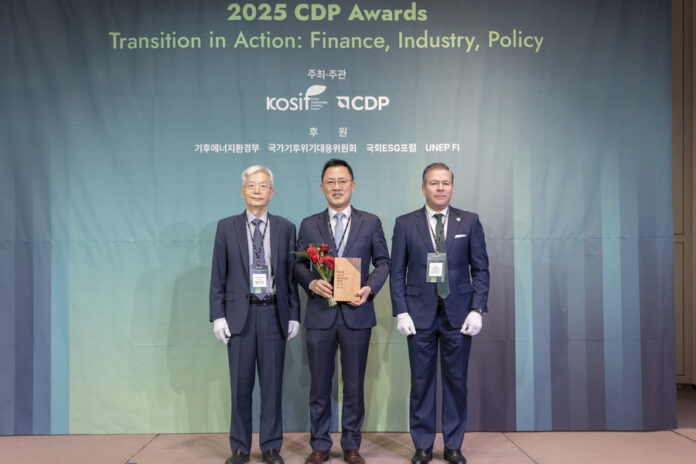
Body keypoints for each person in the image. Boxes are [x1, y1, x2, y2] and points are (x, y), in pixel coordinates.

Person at [390, 162, 489, 464]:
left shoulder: (469, 221)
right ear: (423, 188)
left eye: (445, 183)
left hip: (459, 316)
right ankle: (422, 445)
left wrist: (477, 309)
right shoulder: (405, 223)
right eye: (434, 183)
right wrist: (401, 311)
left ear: (452, 187)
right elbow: (397, 272)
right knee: (421, 383)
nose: (440, 188)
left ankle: (453, 446)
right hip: (418, 315)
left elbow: (481, 269)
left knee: (456, 382)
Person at [294, 159, 391, 464]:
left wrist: (370, 287)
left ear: (353, 185)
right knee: (319, 385)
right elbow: (298, 265)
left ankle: (351, 445)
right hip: (320, 315)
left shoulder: (370, 222)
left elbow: (384, 262)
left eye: (342, 181)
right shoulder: (309, 224)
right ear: (322, 187)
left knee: (354, 384)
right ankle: (320, 444)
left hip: (356, 314)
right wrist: (311, 283)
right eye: (331, 182)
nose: (337, 187)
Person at [209, 165, 300, 464]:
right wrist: (218, 316)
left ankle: (271, 447)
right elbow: (218, 275)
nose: (257, 190)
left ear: (272, 192)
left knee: (272, 387)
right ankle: (239, 447)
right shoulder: (226, 227)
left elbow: (289, 277)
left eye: (263, 186)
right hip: (240, 316)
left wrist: (294, 315)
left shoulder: (286, 228)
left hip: (273, 313)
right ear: (243, 191)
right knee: (240, 386)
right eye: (252, 185)